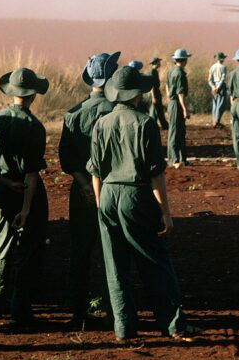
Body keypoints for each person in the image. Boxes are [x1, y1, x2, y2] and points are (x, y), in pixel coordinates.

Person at [89, 66, 198, 342]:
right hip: (135, 194)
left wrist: (102, 203)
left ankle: (124, 328)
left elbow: (95, 171)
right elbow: (155, 174)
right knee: (155, 262)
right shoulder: (144, 123)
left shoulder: (101, 123)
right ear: (138, 93)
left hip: (109, 194)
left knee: (115, 265)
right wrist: (165, 212)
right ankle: (174, 325)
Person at [0, 68, 49, 327]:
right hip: (28, 194)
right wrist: (26, 209)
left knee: (0, 247)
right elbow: (31, 173)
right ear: (33, 95)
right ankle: (21, 308)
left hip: (4, 191)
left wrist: (4, 181)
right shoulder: (35, 127)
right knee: (29, 252)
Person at [58, 51, 120, 328]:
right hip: (112, 188)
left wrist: (84, 185)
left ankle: (78, 312)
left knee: (80, 252)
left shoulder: (73, 114)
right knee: (114, 251)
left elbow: (66, 160)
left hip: (81, 191)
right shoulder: (118, 112)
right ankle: (115, 309)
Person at [166, 49, 192, 168]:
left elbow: (167, 86)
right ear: (185, 60)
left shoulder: (171, 71)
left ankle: (182, 159)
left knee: (180, 131)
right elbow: (180, 93)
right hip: (176, 104)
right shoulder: (180, 73)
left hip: (172, 102)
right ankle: (174, 159)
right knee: (175, 132)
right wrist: (185, 109)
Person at [147, 57, 168, 131]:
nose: (160, 63)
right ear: (155, 63)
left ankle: (164, 125)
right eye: (158, 62)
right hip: (155, 94)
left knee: (159, 110)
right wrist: (153, 97)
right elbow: (152, 85)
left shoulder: (155, 71)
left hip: (157, 94)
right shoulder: (152, 72)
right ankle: (152, 126)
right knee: (155, 111)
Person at [208, 52, 228, 128]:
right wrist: (218, 87)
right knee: (221, 104)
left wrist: (213, 87)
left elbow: (209, 80)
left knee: (215, 104)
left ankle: (214, 121)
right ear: (222, 59)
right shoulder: (223, 67)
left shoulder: (212, 67)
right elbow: (223, 79)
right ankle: (217, 121)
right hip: (221, 86)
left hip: (213, 86)